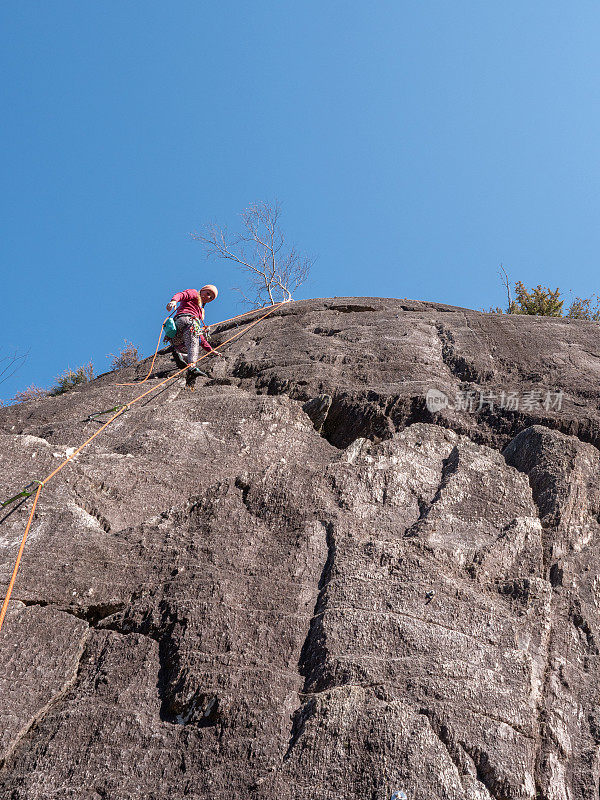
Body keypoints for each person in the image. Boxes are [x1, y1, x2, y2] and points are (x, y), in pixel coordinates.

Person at [166, 285, 219, 377]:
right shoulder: (194, 293)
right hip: (186, 320)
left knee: (191, 346)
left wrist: (211, 350)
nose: (208, 297)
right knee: (193, 344)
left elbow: (200, 338)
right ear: (202, 290)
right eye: (208, 293)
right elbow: (182, 295)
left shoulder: (199, 311)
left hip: (175, 336)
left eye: (211, 298)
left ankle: (181, 356)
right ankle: (192, 367)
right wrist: (174, 301)